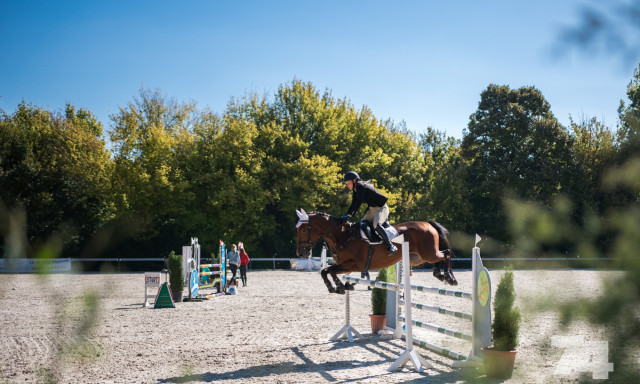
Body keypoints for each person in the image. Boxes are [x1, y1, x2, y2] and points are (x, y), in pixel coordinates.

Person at [342, 171, 397, 256]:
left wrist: (350, 214)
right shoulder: (356, 189)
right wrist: (347, 214)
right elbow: (353, 203)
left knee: (376, 225)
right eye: (346, 184)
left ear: (354, 180)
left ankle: (390, 246)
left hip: (381, 208)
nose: (348, 186)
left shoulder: (360, 186)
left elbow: (358, 203)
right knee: (361, 226)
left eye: (348, 183)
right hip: (372, 210)